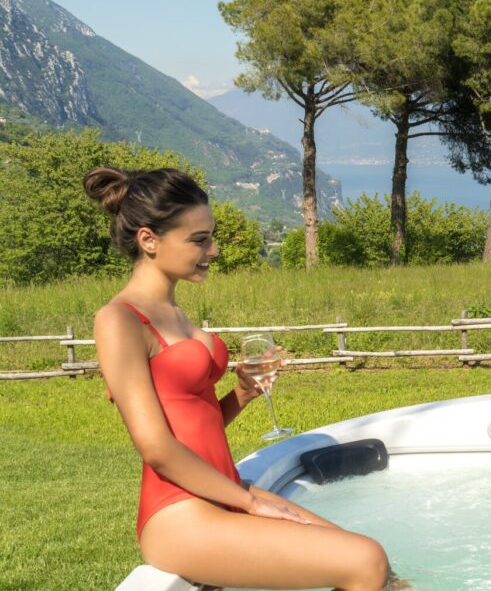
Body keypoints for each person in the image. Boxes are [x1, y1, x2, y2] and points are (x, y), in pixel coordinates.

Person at [85, 167, 400, 590]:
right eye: (199, 240)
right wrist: (249, 501)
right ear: (148, 240)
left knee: (386, 575)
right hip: (179, 510)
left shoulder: (175, 312)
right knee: (365, 560)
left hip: (222, 489)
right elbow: (156, 447)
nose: (212, 250)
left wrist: (242, 393)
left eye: (210, 237)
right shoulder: (119, 320)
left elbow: (196, 423)